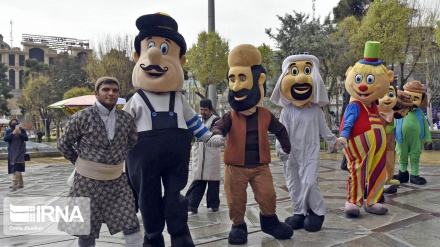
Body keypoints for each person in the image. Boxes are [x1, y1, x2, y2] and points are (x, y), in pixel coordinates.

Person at [123, 13, 222, 247]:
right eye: (149, 48)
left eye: (165, 49)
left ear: (181, 60)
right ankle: (153, 235)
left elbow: (193, 122)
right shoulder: (136, 100)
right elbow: (120, 128)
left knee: (175, 195)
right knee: (148, 197)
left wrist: (208, 137)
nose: (156, 55)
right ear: (138, 57)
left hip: (175, 158)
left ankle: (179, 233)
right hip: (143, 159)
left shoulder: (178, 99)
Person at [212, 44, 293, 245]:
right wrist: (216, 135)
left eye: (242, 79)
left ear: (259, 81)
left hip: (260, 167)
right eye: (233, 79)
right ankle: (238, 226)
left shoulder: (265, 115)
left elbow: (281, 130)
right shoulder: (231, 115)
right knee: (236, 201)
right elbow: (219, 126)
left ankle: (269, 221)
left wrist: (285, 148)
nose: (237, 86)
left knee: (268, 195)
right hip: (235, 167)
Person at [57, 77, 142, 247]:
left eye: (115, 90)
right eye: (106, 89)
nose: (111, 93)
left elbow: (132, 141)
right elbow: (63, 144)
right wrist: (81, 164)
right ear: (96, 93)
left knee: (130, 222)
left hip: (117, 182)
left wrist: (116, 157)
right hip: (86, 182)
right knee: (86, 229)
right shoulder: (81, 117)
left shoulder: (126, 119)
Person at [270, 53, 342, 232]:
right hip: (290, 153)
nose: (301, 77)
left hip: (310, 151)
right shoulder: (286, 111)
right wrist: (281, 149)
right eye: (294, 72)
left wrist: (335, 141)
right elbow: (281, 132)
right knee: (294, 183)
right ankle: (299, 212)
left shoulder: (316, 110)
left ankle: (317, 212)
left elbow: (324, 130)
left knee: (309, 182)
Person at [339, 41, 394, 217]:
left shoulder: (373, 106)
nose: (363, 86)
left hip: (377, 147)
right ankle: (353, 201)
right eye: (359, 80)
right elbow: (348, 122)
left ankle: (373, 200)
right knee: (358, 170)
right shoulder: (355, 105)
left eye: (369, 80)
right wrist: (343, 137)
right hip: (358, 145)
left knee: (378, 171)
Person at [186, 98, 221, 214]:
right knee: (198, 180)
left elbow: (217, 135)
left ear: (210, 110)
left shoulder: (217, 121)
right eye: (201, 109)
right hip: (200, 154)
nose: (202, 112)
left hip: (211, 155)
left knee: (213, 181)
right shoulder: (198, 121)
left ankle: (214, 204)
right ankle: (191, 205)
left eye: (205, 110)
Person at [393, 80, 432, 185]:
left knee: (415, 156)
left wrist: (428, 139)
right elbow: (394, 123)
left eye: (416, 99)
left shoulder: (419, 113)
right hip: (401, 139)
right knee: (402, 155)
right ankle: (403, 173)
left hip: (417, 140)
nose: (412, 101)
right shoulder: (400, 111)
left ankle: (414, 175)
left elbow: (425, 126)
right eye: (409, 97)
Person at [4, 118, 28, 190]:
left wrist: (20, 133)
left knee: (17, 165)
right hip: (12, 152)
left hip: (20, 151)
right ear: (10, 124)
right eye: (13, 124)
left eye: (16, 123)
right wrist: (13, 133)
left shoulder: (22, 130)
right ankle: (20, 183)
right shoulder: (8, 131)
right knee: (15, 166)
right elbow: (6, 139)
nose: (14, 125)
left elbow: (26, 138)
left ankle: (14, 183)